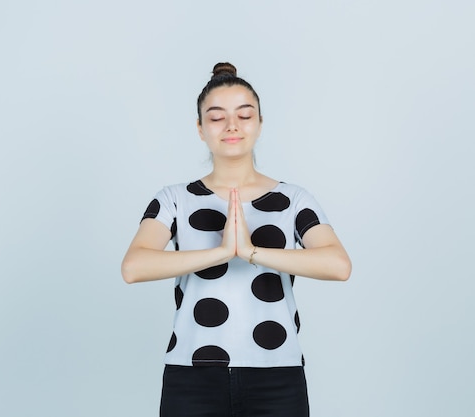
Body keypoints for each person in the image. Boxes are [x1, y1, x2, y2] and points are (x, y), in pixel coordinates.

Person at [121, 62, 351, 417]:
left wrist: (252, 252)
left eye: (244, 115)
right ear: (200, 129)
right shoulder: (174, 199)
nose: (231, 126)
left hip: (278, 374)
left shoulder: (294, 199)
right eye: (216, 117)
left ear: (259, 124)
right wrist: (222, 253)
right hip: (191, 376)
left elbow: (338, 265)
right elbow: (134, 267)